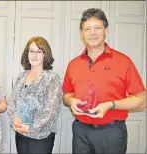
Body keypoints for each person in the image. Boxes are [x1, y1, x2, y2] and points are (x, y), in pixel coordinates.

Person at [62, 8, 146, 154]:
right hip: (80, 131)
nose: (92, 33)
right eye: (87, 29)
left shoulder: (123, 61)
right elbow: (66, 95)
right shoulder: (73, 64)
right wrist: (70, 101)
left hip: (112, 132)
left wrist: (111, 105)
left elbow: (142, 100)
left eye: (97, 28)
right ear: (81, 34)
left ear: (105, 31)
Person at [7, 36, 62, 154]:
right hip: (21, 134)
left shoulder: (52, 78)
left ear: (45, 55)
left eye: (39, 51)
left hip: (41, 137)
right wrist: (15, 118)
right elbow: (12, 102)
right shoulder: (21, 77)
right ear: (27, 54)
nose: (34, 55)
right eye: (31, 51)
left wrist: (31, 128)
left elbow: (52, 111)